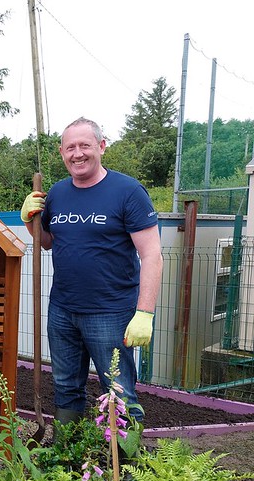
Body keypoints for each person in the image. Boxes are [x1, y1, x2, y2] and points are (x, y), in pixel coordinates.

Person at [20, 117, 163, 428]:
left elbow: (152, 254)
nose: (77, 153)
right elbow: (46, 243)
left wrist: (145, 313)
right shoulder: (56, 194)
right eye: (70, 147)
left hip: (110, 313)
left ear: (101, 146)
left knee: (119, 392)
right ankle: (66, 463)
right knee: (66, 388)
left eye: (85, 145)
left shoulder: (128, 191)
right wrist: (31, 218)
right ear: (61, 152)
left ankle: (126, 470)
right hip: (63, 310)